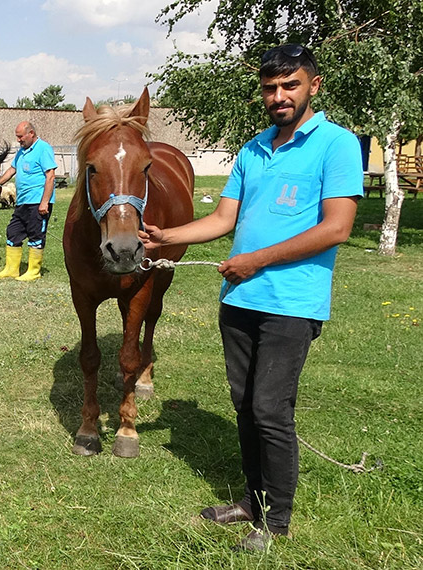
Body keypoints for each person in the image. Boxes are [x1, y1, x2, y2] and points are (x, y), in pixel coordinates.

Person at [139, 44, 361, 552]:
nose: (279, 96)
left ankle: (276, 522)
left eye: (290, 86)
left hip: (292, 301)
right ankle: (251, 501)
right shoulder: (254, 148)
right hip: (240, 298)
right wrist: (164, 235)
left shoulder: (337, 144)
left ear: (313, 86)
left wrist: (256, 260)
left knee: (270, 408)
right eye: (270, 88)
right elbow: (223, 221)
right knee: (245, 405)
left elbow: (337, 228)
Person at [0, 121, 57, 281]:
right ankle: (11, 269)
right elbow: (12, 170)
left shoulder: (43, 149)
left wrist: (44, 202)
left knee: (35, 235)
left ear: (31, 133)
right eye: (17, 137)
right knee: (13, 232)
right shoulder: (22, 151)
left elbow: (50, 176)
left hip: (38, 202)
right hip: (22, 202)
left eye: (20, 137)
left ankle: (33, 271)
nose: (18, 140)